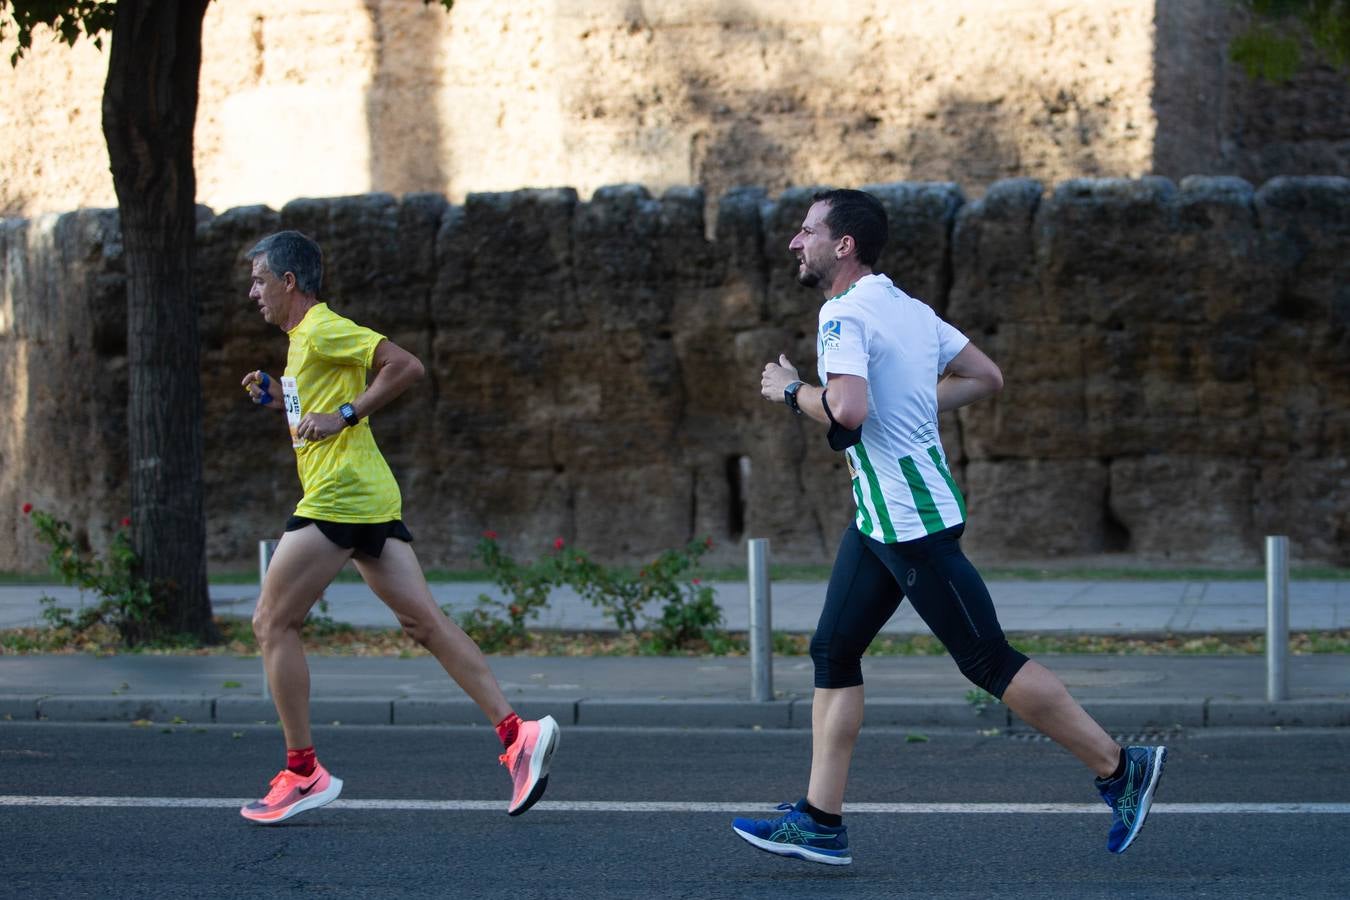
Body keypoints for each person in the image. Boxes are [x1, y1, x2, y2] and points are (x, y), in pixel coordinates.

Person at [730, 189, 1165, 865]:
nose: (795, 242)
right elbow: (984, 377)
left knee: (989, 660)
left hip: (909, 520)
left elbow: (845, 410)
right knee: (833, 652)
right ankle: (819, 819)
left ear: (843, 246)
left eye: (808, 231)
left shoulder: (841, 314)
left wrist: (790, 389)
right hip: (882, 516)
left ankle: (1118, 767)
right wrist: (903, 399)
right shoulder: (907, 308)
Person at [236, 230, 559, 825]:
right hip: (369, 496)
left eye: (259, 280)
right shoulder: (303, 343)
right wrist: (275, 395)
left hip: (340, 496)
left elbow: (405, 366)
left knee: (271, 621)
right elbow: (311, 412)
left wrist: (348, 413)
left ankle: (303, 771)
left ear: (289, 282)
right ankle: (518, 734)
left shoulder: (325, 327)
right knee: (423, 623)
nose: (252, 292)